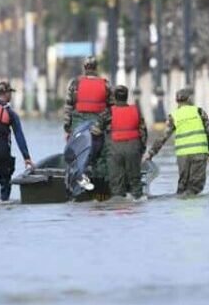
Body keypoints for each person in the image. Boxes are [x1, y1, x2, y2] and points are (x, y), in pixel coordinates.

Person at [143, 87, 209, 197]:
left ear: (176, 101)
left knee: (183, 186)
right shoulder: (199, 112)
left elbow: (163, 137)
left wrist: (150, 154)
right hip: (199, 152)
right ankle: (192, 209)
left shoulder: (174, 116)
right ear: (190, 99)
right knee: (195, 187)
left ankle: (180, 208)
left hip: (183, 156)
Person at [63, 56, 112, 191]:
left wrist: (67, 128)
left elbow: (68, 106)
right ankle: (101, 183)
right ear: (96, 68)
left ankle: (75, 182)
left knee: (76, 153)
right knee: (101, 155)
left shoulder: (75, 84)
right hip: (99, 124)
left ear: (85, 68)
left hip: (79, 124)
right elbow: (111, 108)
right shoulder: (106, 84)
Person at [106, 84, 147, 200]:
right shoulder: (136, 111)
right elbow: (143, 132)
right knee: (135, 181)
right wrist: (142, 149)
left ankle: (119, 205)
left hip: (115, 149)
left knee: (117, 183)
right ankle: (137, 200)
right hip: (133, 147)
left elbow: (96, 130)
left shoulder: (109, 112)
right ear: (127, 96)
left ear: (114, 97)